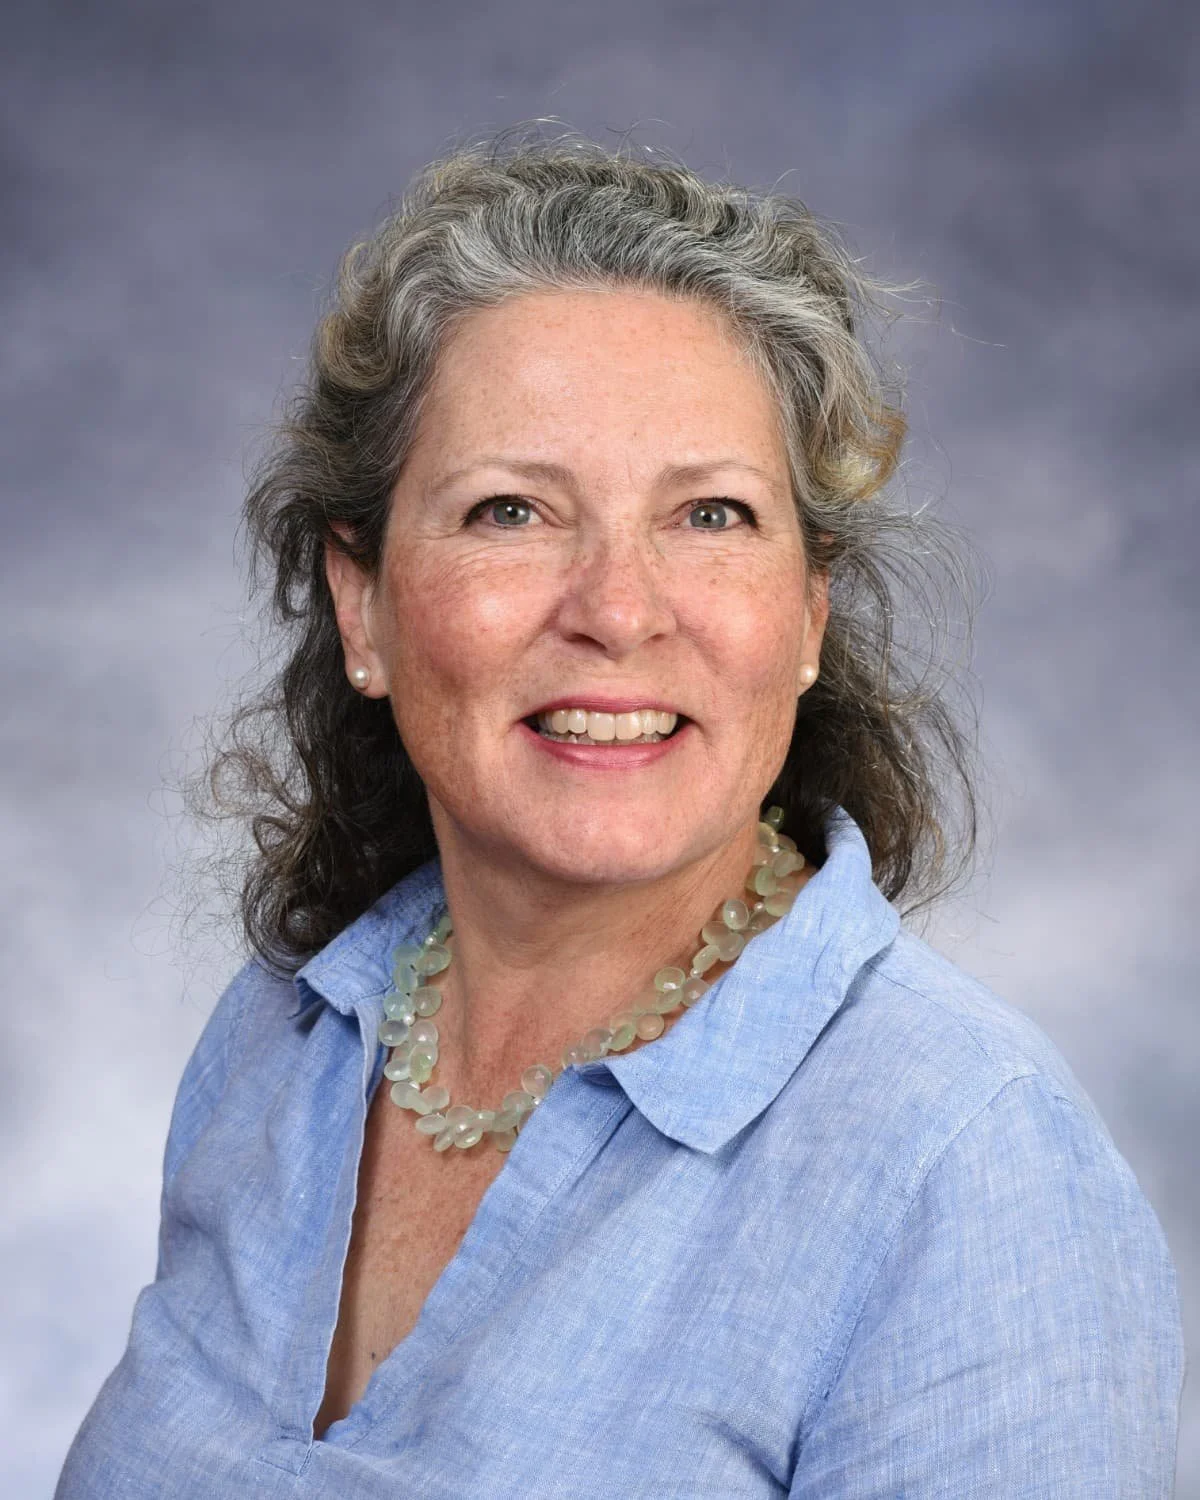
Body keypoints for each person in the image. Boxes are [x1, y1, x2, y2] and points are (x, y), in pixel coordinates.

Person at [56, 130, 1184, 1498]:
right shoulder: (285, 1039)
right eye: (513, 511)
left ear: (810, 611)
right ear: (363, 607)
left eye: (710, 516)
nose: (619, 610)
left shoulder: (966, 1166)